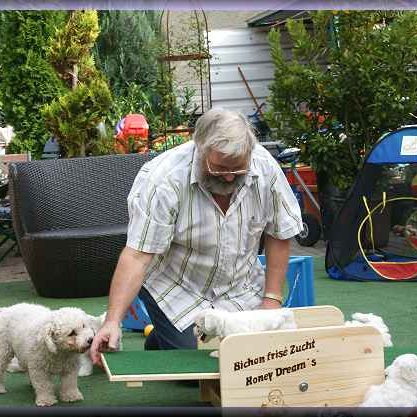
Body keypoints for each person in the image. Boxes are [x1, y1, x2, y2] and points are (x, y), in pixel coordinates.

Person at [90, 108, 303, 365]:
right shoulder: (162, 179)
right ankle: (169, 336)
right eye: (221, 167)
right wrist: (112, 322)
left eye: (238, 168)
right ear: (199, 149)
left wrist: (271, 300)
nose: (228, 176)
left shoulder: (265, 168)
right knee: (202, 366)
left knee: (257, 357)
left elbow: (279, 233)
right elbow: (137, 256)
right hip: (176, 286)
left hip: (239, 285)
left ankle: (166, 338)